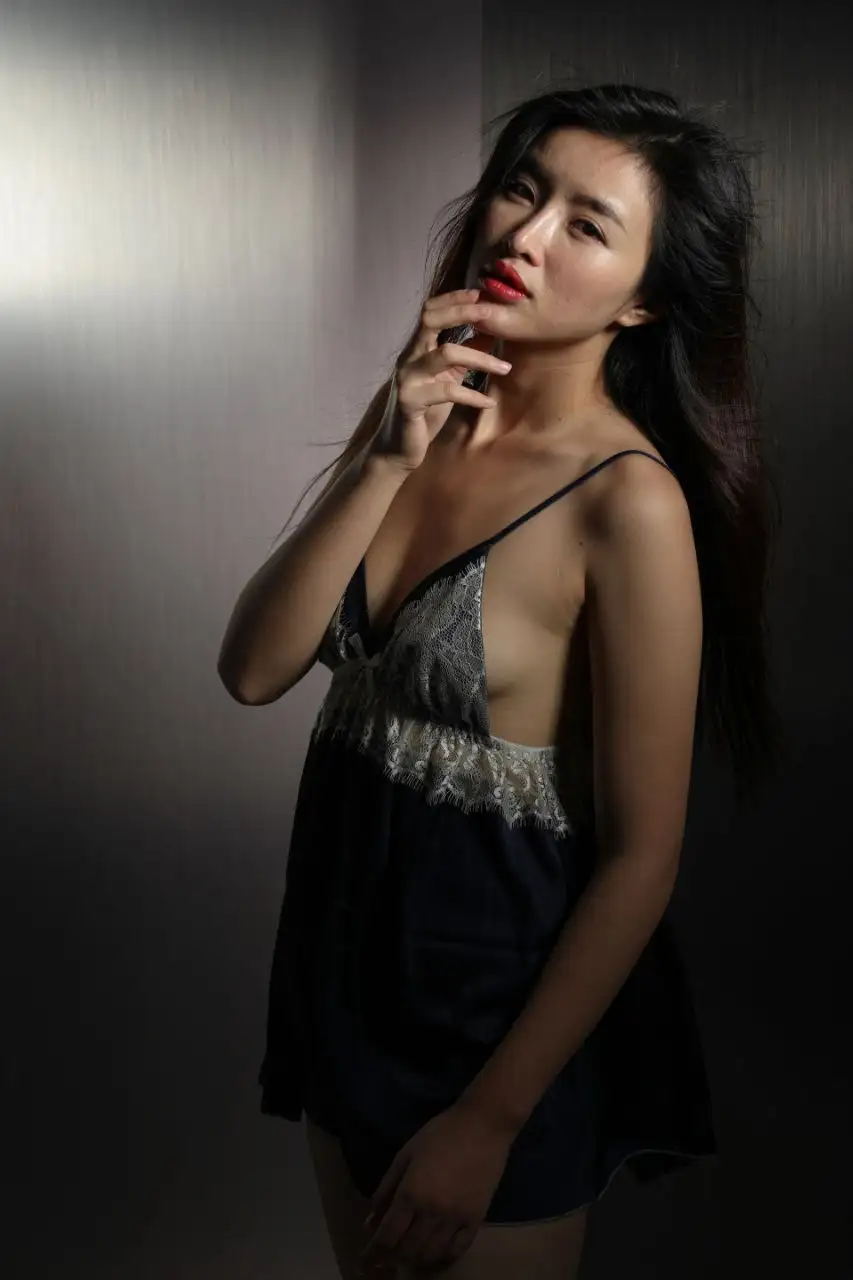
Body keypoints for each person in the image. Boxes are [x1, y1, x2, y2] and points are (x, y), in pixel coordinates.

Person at [218, 82, 785, 1279]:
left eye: (585, 223)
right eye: (521, 190)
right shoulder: (421, 410)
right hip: (338, 984)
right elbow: (254, 668)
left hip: (487, 1031)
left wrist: (489, 1117)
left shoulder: (627, 503)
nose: (525, 234)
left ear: (641, 298)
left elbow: (641, 859)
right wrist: (387, 453)